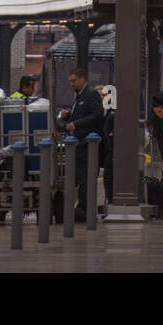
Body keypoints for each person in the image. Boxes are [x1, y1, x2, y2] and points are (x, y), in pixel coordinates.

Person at [57, 68, 104, 220]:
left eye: (74, 80)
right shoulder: (79, 96)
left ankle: (85, 209)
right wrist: (68, 116)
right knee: (80, 177)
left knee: (86, 177)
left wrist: (76, 124)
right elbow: (82, 113)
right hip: (78, 144)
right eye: (70, 81)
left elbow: (97, 115)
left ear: (83, 78)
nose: (71, 84)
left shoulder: (91, 94)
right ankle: (81, 207)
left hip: (87, 144)